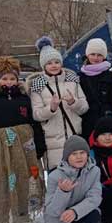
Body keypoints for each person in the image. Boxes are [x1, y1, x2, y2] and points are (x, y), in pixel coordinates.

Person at [0, 56, 47, 223]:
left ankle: (23, 214)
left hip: (24, 148)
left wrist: (39, 143)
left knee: (24, 179)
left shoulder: (23, 98)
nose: (9, 82)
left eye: (12, 78)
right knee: (0, 181)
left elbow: (34, 123)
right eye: (5, 78)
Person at [23, 136, 102, 223]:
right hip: (58, 218)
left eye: (82, 153)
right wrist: (63, 191)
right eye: (74, 154)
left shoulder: (95, 171)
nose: (79, 157)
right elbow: (52, 210)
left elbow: (95, 197)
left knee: (95, 215)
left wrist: (75, 212)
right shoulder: (56, 176)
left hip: (77, 214)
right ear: (66, 157)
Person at [27, 36, 89, 171]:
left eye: (56, 62)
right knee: (59, 182)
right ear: (43, 66)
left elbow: (84, 108)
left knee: (80, 181)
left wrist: (73, 102)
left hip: (75, 137)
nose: (54, 65)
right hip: (52, 142)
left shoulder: (72, 80)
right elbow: (36, 114)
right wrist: (51, 108)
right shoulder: (37, 85)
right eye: (49, 63)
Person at [78, 38, 112, 140]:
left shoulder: (111, 78)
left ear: (104, 56)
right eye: (92, 54)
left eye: (99, 55)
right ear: (87, 55)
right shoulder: (80, 77)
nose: (95, 58)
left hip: (106, 125)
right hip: (86, 125)